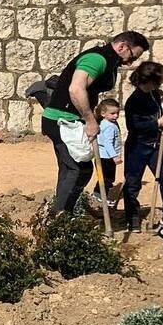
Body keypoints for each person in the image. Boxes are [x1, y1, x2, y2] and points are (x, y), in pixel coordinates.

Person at [42, 31, 149, 216]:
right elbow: (76, 89)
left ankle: (58, 213)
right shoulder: (97, 59)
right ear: (122, 46)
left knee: (69, 168)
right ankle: (59, 217)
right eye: (132, 56)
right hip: (62, 119)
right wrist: (91, 120)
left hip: (67, 119)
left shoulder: (108, 60)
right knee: (80, 169)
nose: (130, 63)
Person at [121, 61, 163, 232]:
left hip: (156, 145)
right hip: (137, 147)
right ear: (149, 80)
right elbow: (134, 125)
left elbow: (160, 112)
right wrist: (157, 122)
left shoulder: (155, 95)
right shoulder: (133, 101)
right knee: (132, 183)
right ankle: (133, 217)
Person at [90, 98, 122, 208]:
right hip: (107, 158)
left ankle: (99, 195)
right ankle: (100, 197)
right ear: (103, 113)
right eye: (112, 113)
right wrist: (115, 156)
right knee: (106, 179)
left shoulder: (104, 123)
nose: (116, 116)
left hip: (102, 156)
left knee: (104, 178)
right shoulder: (109, 127)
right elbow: (108, 143)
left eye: (117, 113)